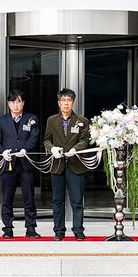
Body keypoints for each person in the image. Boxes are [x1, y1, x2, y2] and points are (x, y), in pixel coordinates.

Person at [43, 88, 91, 241]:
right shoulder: (52, 120)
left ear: (73, 102)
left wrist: (75, 149)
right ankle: (59, 231)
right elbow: (47, 140)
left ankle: (78, 230)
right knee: (57, 201)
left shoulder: (82, 120)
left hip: (76, 165)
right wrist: (52, 149)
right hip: (57, 165)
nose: (66, 103)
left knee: (77, 200)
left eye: (69, 100)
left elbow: (85, 140)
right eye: (63, 100)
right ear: (59, 103)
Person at [0, 89, 41, 239]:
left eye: (18, 101)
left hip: (26, 163)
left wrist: (25, 149)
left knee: (29, 197)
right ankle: (7, 229)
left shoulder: (31, 118)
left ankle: (31, 228)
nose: (15, 104)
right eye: (12, 101)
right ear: (8, 104)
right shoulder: (1, 120)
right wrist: (3, 151)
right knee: (7, 198)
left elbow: (34, 138)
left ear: (23, 103)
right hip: (8, 164)